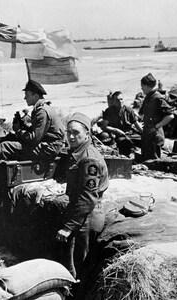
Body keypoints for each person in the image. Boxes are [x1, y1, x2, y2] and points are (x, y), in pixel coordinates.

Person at [55, 112, 108, 280]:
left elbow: (87, 198)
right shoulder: (78, 152)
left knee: (80, 265)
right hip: (80, 212)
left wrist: (69, 227)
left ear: (87, 133)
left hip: (86, 216)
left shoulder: (88, 159)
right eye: (68, 132)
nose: (70, 136)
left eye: (76, 132)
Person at [0, 80, 65, 162]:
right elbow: (37, 132)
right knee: (10, 138)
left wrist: (18, 131)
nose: (25, 98)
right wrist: (23, 126)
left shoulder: (42, 111)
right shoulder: (42, 109)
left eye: (27, 95)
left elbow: (34, 139)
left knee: (4, 147)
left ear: (35, 96)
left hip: (48, 149)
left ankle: (0, 173)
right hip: (49, 146)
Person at [95, 91, 143, 156]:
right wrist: (116, 130)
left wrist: (145, 133)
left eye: (121, 99)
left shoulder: (128, 110)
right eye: (117, 100)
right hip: (118, 135)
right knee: (124, 142)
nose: (120, 101)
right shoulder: (109, 111)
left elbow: (136, 124)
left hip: (129, 134)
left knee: (144, 140)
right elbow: (104, 126)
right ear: (114, 101)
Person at [139, 73, 174, 161]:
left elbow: (170, 116)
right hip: (147, 134)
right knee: (146, 160)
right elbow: (141, 114)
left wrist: (156, 126)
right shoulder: (148, 97)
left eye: (142, 86)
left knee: (154, 162)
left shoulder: (157, 98)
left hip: (154, 135)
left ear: (147, 86)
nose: (141, 88)